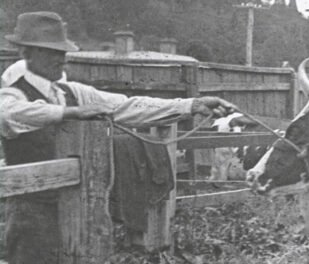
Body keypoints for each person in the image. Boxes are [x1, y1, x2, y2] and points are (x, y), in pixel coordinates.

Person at [0, 11, 236, 264]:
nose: (61, 59)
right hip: (33, 217)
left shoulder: (72, 91)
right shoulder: (13, 95)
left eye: (62, 51)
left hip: (79, 212)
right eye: (51, 52)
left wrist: (192, 104)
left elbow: (129, 105)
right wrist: (69, 113)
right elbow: (8, 115)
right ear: (27, 54)